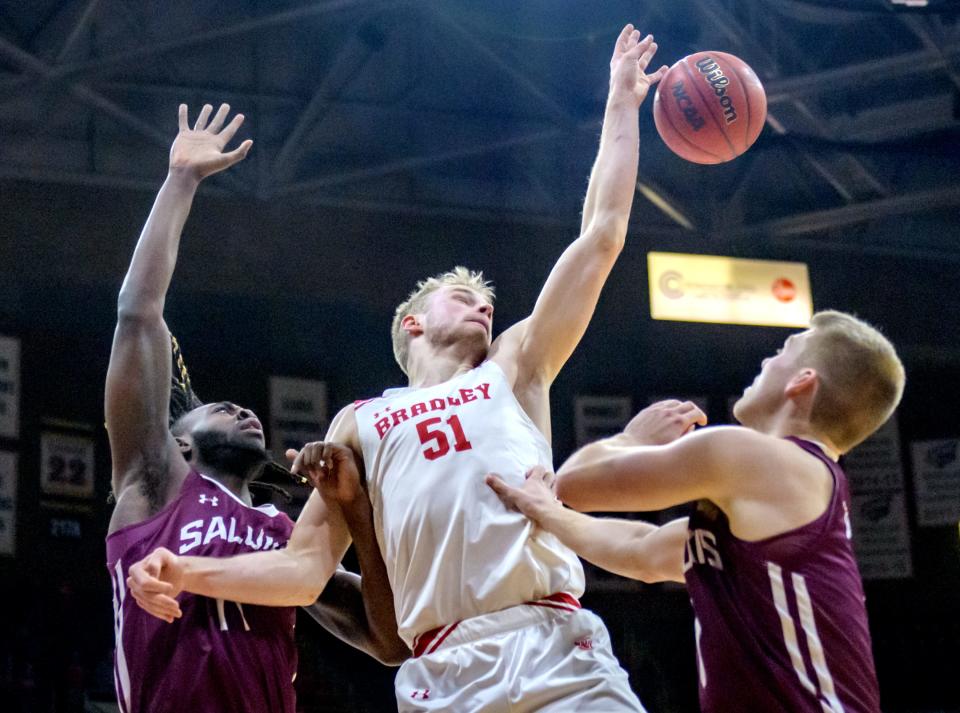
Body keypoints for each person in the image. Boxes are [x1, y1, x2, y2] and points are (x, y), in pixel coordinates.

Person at [128, 25, 667, 711]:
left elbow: (601, 238)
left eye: (489, 301)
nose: (483, 305)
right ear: (411, 321)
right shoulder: (360, 421)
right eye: (463, 294)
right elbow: (303, 571)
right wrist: (186, 569)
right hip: (440, 666)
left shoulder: (516, 368)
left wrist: (622, 103)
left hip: (551, 637)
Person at [106, 102, 405, 713]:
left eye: (244, 408)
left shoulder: (284, 538)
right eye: (220, 407)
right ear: (180, 442)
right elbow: (139, 314)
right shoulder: (155, 483)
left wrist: (354, 510)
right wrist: (180, 181)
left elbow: (390, 641)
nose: (245, 411)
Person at [486, 311, 905, 713]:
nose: (766, 358)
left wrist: (634, 439)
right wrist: (547, 511)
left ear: (801, 382)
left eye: (782, 351)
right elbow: (644, 550)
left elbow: (577, 484)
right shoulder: (787, 495)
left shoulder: (758, 457)